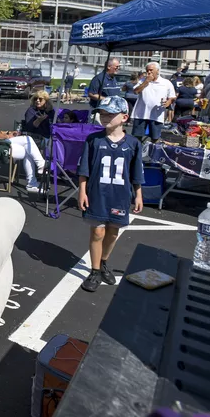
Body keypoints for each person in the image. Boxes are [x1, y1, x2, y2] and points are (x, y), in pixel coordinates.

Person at [78, 96, 143, 292]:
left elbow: (136, 173)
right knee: (97, 231)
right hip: (97, 193)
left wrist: (138, 194)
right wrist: (82, 191)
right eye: (102, 113)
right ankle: (95, 270)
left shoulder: (133, 143)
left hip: (120, 195)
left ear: (124, 117)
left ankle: (103, 261)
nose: (105, 117)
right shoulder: (94, 140)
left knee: (113, 232)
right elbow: (84, 169)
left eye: (110, 114)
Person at [0, 95, 46, 193]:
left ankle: (33, 182)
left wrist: (9, 133)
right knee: (28, 140)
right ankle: (37, 172)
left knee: (28, 149)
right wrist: (9, 136)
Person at [131, 62, 176, 142]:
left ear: (157, 71)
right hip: (141, 114)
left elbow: (172, 96)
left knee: (155, 138)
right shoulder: (142, 81)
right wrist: (146, 82)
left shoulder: (166, 83)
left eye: (151, 70)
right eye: (147, 70)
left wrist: (169, 102)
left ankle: (153, 153)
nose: (149, 72)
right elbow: (136, 91)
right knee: (137, 138)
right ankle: (137, 153)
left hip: (156, 115)